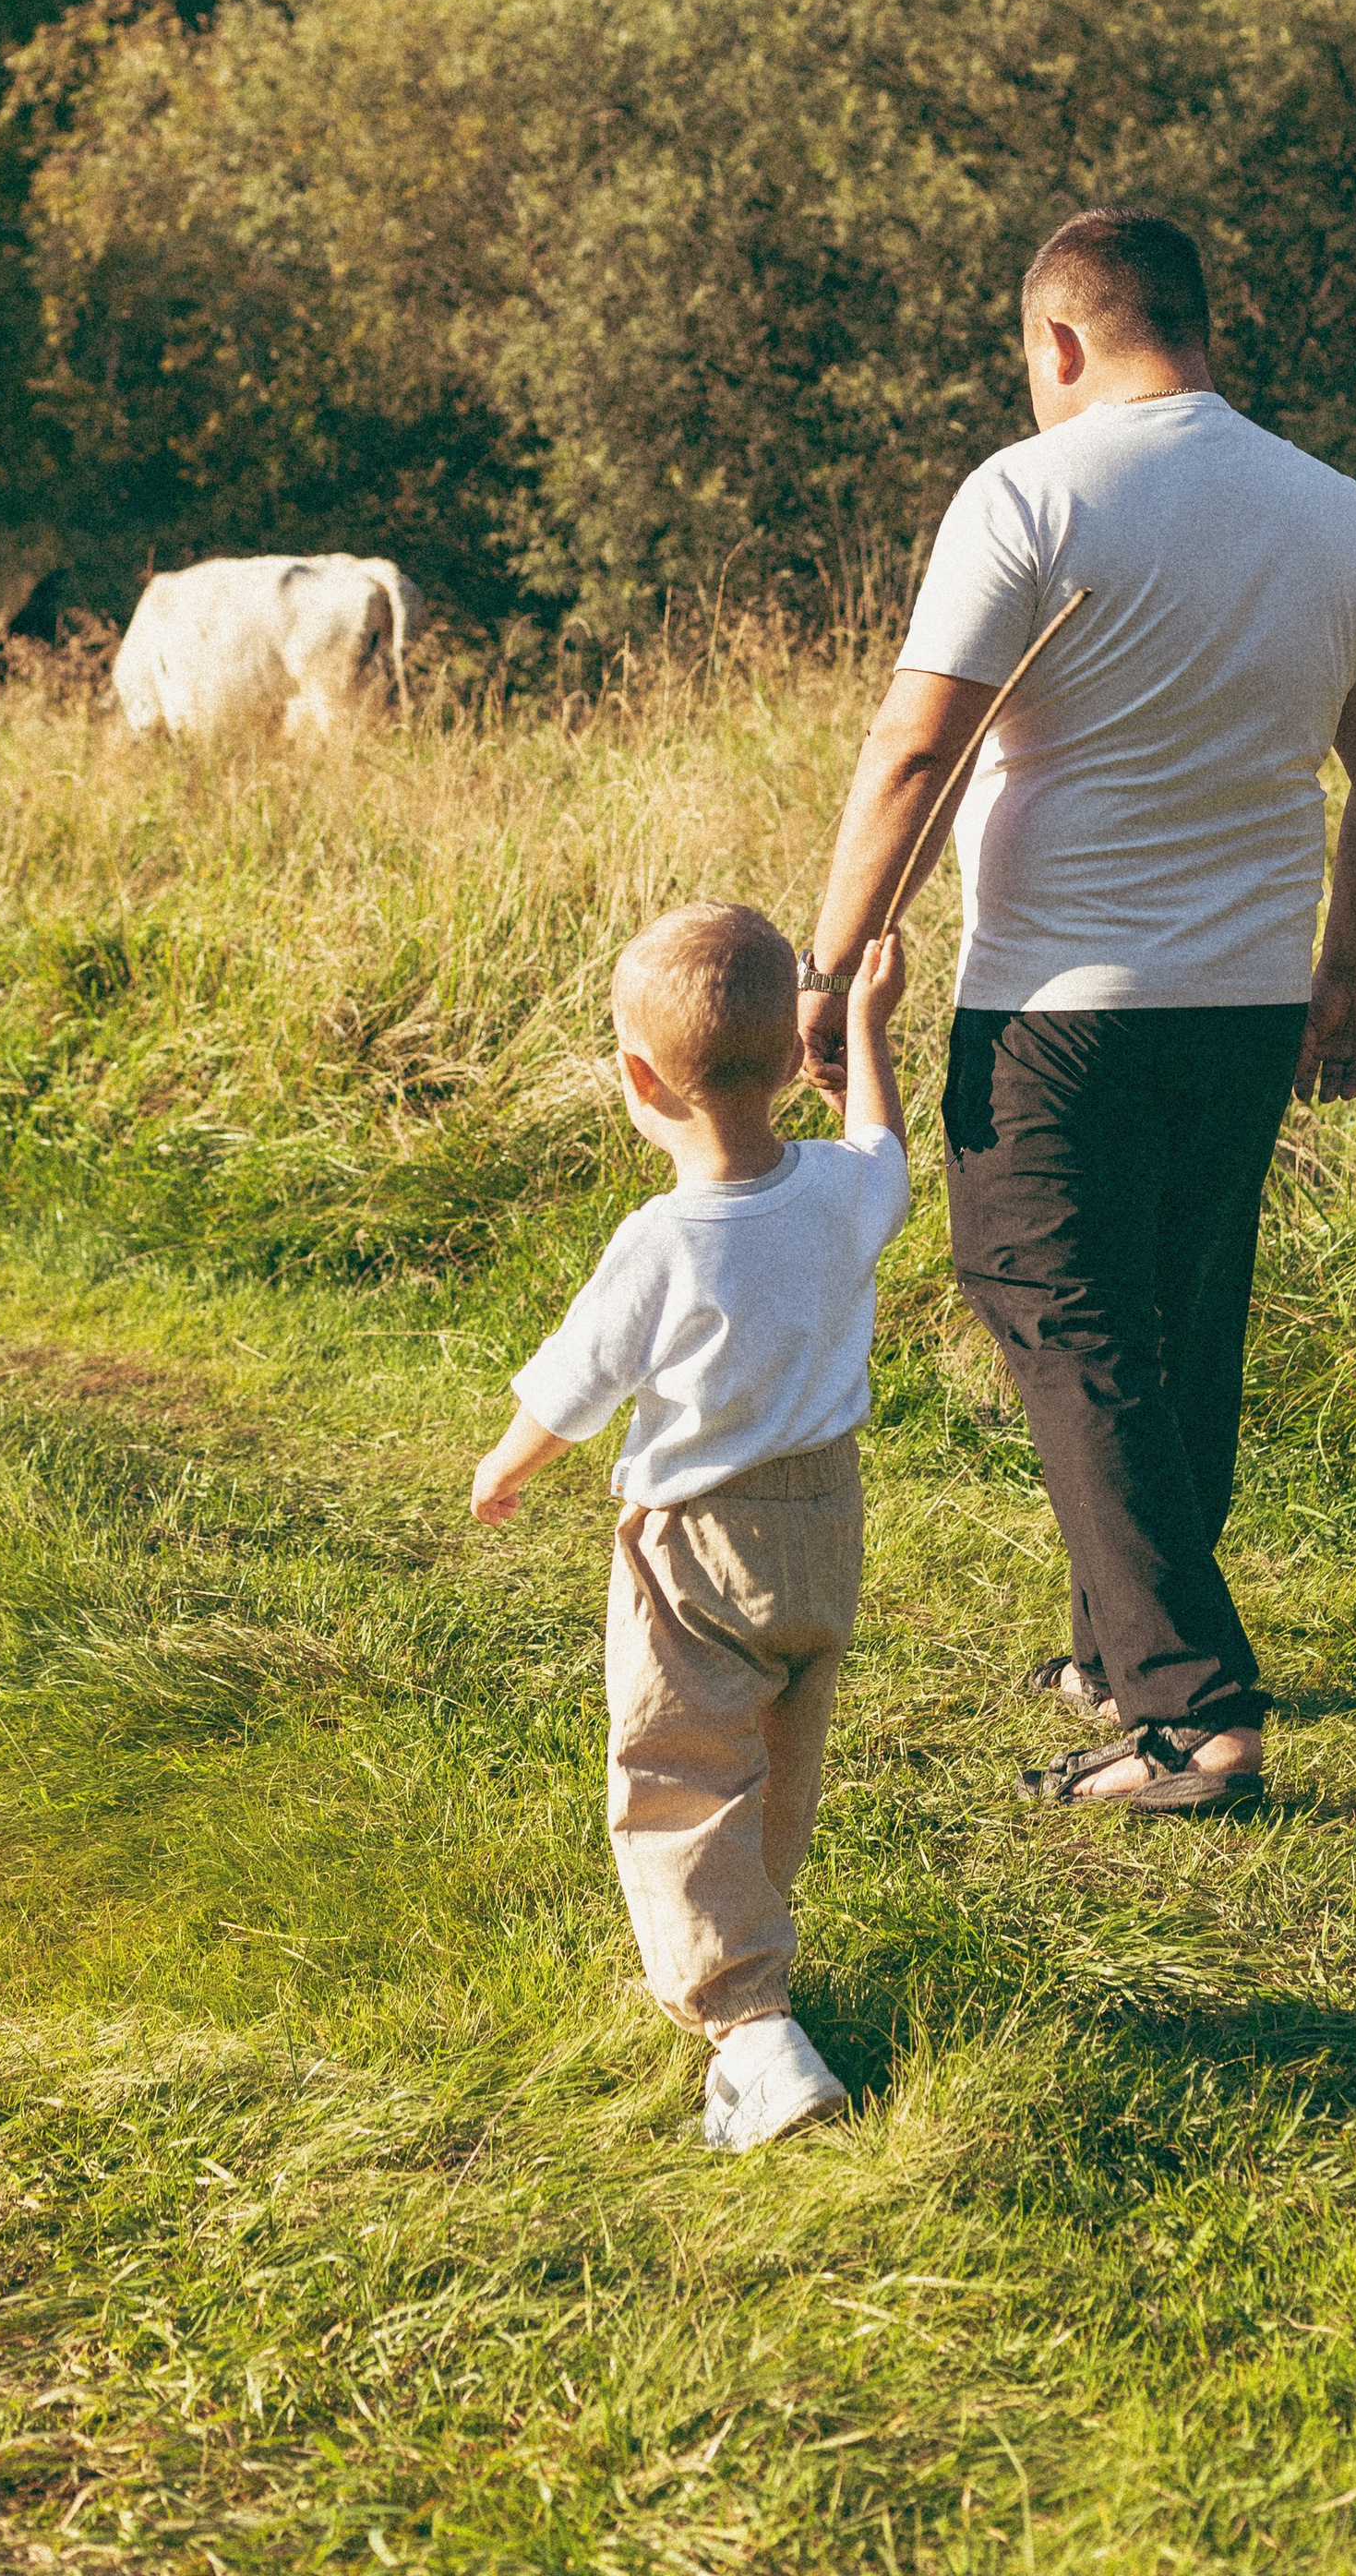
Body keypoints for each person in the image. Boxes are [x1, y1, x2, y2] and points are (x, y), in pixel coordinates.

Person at [798, 209, 1356, 1816]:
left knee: (1056, 1314)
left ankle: (1193, 1718)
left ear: (1062, 343)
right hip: (1244, 1004)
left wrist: (832, 958)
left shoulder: (1028, 494)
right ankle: (1113, 1646)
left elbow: (912, 755)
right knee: (1172, 1322)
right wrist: (1353, 969)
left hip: (1054, 1005)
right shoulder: (1341, 514)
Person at [470, 903, 910, 2151]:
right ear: (788, 1064)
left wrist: (506, 1465)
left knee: (679, 1769)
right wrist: (866, 1028)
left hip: (697, 1538)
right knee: (776, 1752)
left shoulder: (662, 1241)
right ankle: (757, 1950)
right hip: (825, 1523)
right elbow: (883, 1145)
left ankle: (750, 2030)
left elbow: (577, 1380)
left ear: (636, 1079)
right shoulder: (836, 1193)